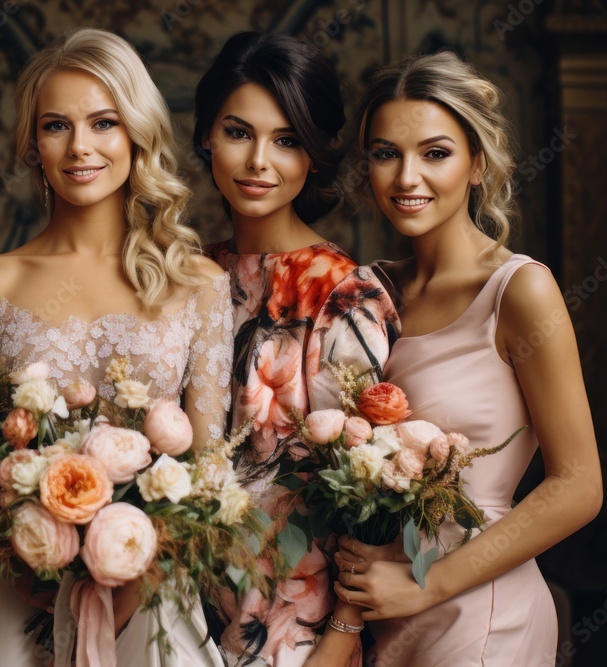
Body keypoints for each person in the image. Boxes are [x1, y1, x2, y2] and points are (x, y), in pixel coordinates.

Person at [0, 27, 233, 667]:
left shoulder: (198, 285)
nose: (80, 147)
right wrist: (28, 558)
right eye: (56, 126)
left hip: (150, 598)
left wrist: (135, 575)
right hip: (13, 596)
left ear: (137, 134)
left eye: (103, 123)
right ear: (33, 144)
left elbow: (209, 470)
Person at [333, 51, 603, 666]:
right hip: (380, 613)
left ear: (476, 163)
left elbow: (580, 486)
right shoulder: (367, 290)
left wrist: (426, 583)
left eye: (435, 153)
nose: (406, 177)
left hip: (482, 616)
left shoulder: (520, 291)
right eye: (385, 153)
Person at [193, 32, 400, 666]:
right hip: (176, 612)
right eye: (238, 132)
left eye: (286, 140)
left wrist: (339, 638)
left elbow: (371, 491)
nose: (260, 160)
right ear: (205, 137)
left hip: (295, 631)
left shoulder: (343, 294)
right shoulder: (185, 275)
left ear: (315, 153)